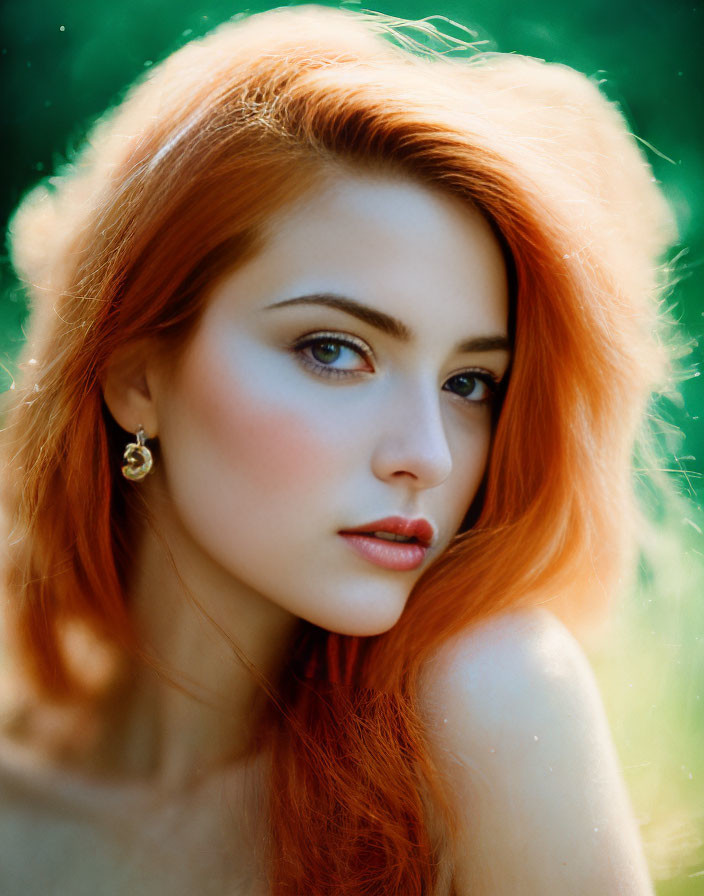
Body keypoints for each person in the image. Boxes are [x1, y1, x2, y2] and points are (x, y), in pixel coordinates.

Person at [0, 5, 676, 894]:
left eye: (470, 383)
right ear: (138, 381)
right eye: (335, 351)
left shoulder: (490, 705)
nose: (427, 456)